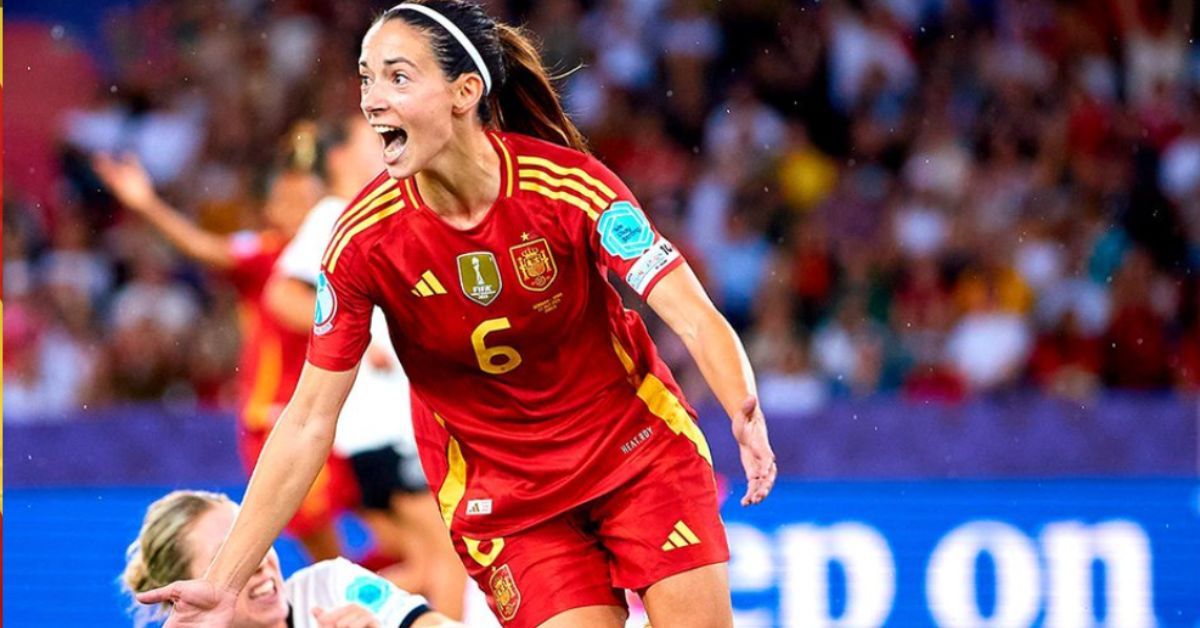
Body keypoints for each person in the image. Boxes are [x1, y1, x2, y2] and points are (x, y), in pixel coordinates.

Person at [139, 2, 776, 626]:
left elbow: (691, 312)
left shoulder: (570, 186)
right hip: (511, 500)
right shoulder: (361, 241)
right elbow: (308, 419)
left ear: (465, 91)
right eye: (365, 78)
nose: (372, 100)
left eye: (397, 77)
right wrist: (222, 583)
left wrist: (741, 407)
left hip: (634, 453)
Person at [93, 149, 360, 563]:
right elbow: (201, 247)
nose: (297, 210)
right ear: (270, 210)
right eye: (286, 201)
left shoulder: (348, 256)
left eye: (307, 201)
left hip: (340, 418)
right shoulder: (266, 255)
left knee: (393, 531)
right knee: (331, 557)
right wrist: (146, 204)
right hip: (278, 418)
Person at [266, 115, 467, 617]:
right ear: (338, 158)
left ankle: (316, 617)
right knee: (450, 555)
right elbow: (281, 295)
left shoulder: (380, 214)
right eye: (372, 140)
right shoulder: (335, 214)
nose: (385, 146)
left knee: (422, 561)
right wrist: (356, 339)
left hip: (382, 428)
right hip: (380, 429)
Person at [122, 490, 461, 628]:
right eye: (224, 556)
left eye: (254, 541)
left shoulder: (330, 586)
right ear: (183, 597)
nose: (257, 561)